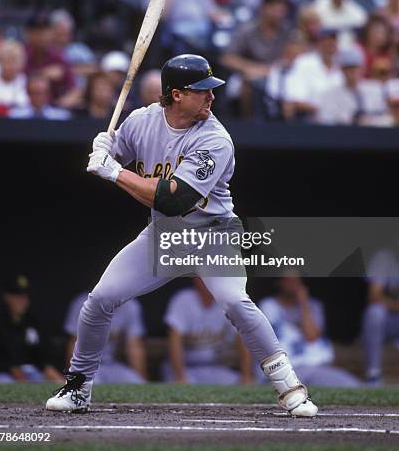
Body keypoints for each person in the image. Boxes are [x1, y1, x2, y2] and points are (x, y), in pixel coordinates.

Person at [45, 53, 318, 417]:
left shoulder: (216, 139)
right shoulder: (141, 121)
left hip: (212, 236)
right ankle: (78, 387)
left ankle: (290, 389)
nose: (212, 97)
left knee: (236, 303)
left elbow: (175, 200)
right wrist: (105, 149)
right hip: (164, 237)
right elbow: (120, 154)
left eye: (211, 89)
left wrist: (114, 173)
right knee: (100, 300)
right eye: (201, 90)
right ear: (175, 94)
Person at [254, 272, 361, 387]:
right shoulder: (268, 305)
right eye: (288, 281)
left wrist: (304, 303)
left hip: (315, 366)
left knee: (352, 384)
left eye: (296, 281)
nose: (293, 285)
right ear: (279, 283)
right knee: (350, 385)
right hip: (288, 367)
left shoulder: (314, 306)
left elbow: (311, 335)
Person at [163, 278, 249, 384]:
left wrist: (246, 375)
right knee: (182, 387)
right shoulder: (183, 299)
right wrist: (180, 376)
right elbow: (174, 341)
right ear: (197, 279)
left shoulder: (228, 302)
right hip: (188, 368)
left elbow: (242, 340)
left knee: (239, 385)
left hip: (216, 368)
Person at [0, 273, 63, 383]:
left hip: (33, 373)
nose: (22, 300)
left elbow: (42, 353)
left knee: (54, 383)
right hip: (5, 374)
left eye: (24, 296)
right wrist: (12, 368)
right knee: (1, 381)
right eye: (17, 296)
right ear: (7, 297)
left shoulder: (33, 321)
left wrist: (47, 367)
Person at [64, 291, 147, 383]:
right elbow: (74, 343)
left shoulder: (131, 305)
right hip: (86, 365)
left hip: (113, 365)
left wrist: (141, 379)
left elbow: (134, 347)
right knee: (90, 386)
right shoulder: (82, 303)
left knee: (136, 382)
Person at [317, 47, 387, 125]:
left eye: (356, 67)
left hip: (373, 133)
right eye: (348, 68)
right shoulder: (330, 95)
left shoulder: (375, 89)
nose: (353, 71)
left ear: (362, 68)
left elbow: (385, 117)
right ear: (342, 70)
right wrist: (351, 119)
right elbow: (326, 121)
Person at [362, 247, 399, 384]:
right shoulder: (384, 257)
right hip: (389, 322)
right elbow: (374, 296)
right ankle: (374, 374)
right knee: (375, 312)